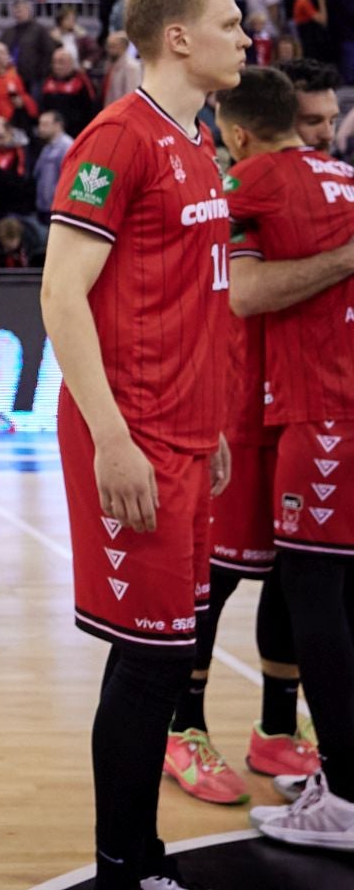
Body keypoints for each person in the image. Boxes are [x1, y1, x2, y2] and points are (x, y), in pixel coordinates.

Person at [41, 0, 247, 890]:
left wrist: (212, 426)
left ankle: (141, 853)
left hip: (185, 431)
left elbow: (196, 303)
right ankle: (124, 865)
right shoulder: (119, 137)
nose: (246, 38)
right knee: (150, 662)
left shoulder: (200, 142)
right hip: (129, 433)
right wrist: (114, 437)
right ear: (177, 37)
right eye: (230, 23)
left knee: (168, 657)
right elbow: (59, 295)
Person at [165, 63, 338, 809]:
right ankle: (184, 727)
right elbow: (236, 295)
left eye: (330, 122)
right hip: (237, 401)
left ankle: (274, 729)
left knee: (292, 573)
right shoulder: (239, 187)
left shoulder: (321, 184)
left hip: (300, 401)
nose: (322, 135)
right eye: (311, 123)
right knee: (220, 575)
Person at [216, 68, 354, 846]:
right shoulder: (343, 175)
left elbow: (241, 294)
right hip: (325, 404)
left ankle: (345, 799)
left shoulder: (255, 180)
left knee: (312, 597)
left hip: (322, 411)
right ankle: (333, 777)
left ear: (237, 133)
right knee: (334, 596)